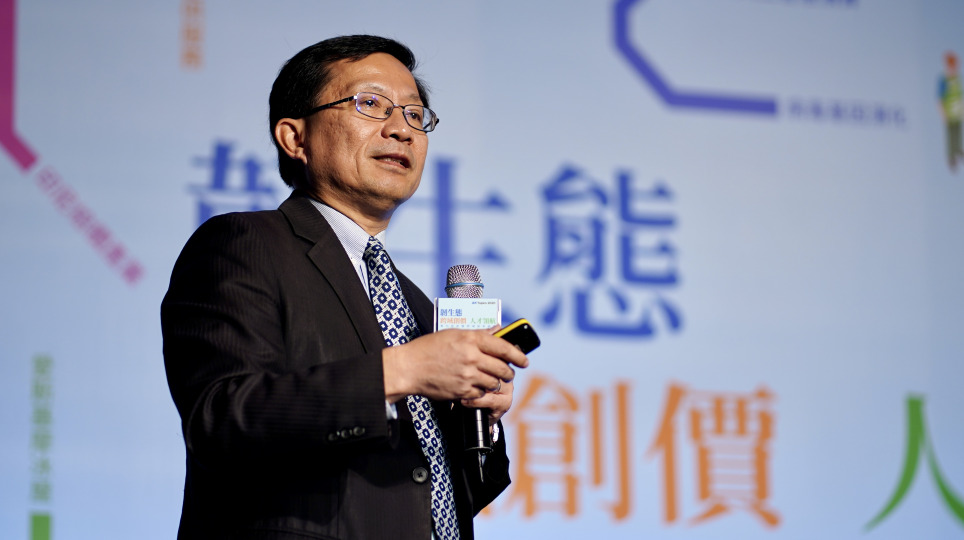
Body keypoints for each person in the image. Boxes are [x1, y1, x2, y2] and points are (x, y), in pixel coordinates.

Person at [161, 35, 529, 540]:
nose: (401, 129)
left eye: (415, 114)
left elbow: (439, 492)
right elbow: (222, 420)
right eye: (371, 104)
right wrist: (402, 370)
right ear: (295, 138)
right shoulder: (245, 244)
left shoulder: (414, 305)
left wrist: (479, 419)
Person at [938, 51, 963, 171]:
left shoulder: (957, 79)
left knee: (958, 133)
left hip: (957, 112)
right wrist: (943, 113)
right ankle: (951, 157)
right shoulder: (944, 80)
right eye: (951, 65)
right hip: (949, 113)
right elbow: (940, 98)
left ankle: (958, 150)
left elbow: (960, 95)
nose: (953, 68)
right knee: (950, 136)